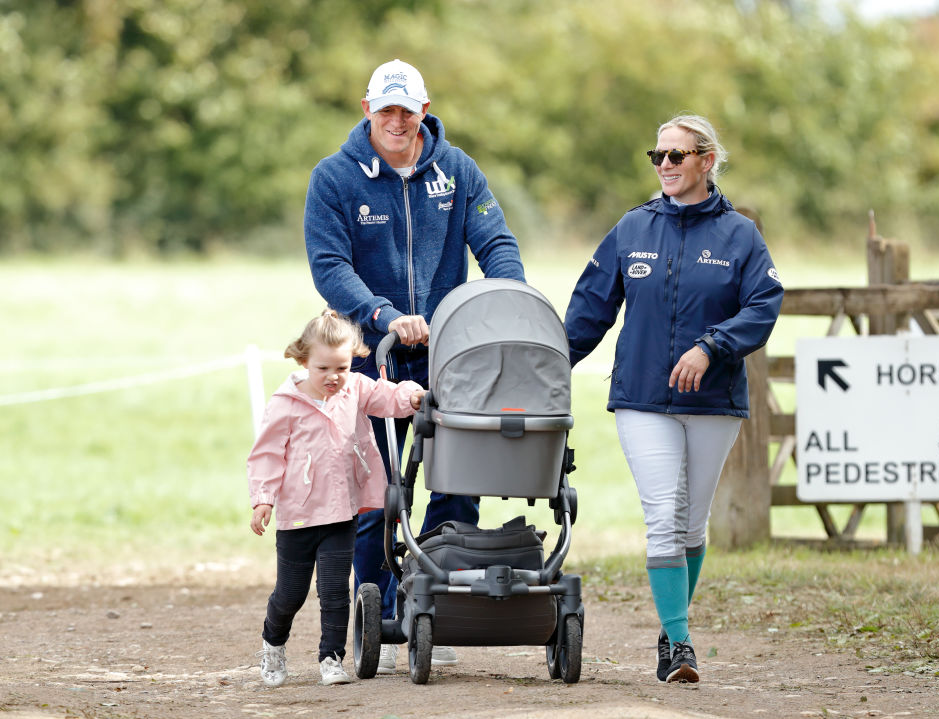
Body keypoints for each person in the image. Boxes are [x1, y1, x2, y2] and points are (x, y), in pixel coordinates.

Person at [303, 58, 525, 672]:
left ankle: (436, 603)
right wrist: (380, 314)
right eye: (385, 111)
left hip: (450, 356)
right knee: (376, 491)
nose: (396, 122)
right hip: (370, 356)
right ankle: (375, 610)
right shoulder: (334, 179)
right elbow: (329, 264)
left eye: (407, 110)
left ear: (424, 110)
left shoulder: (457, 172)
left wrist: (511, 299)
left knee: (458, 479)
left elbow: (496, 243)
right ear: (367, 110)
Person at [563, 114, 784, 684]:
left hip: (713, 401)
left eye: (676, 156)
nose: (664, 165)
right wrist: (547, 364)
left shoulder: (741, 236)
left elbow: (762, 307)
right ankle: (679, 646)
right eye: (657, 155)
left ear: (706, 162)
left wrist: (712, 347)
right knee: (663, 516)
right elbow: (589, 310)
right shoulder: (632, 229)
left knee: (691, 525)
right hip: (641, 397)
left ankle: (671, 624)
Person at [248, 309, 425, 687]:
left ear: (353, 361)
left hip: (341, 512)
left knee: (334, 591)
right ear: (304, 361)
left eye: (342, 368)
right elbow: (266, 454)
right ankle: (273, 644)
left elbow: (386, 396)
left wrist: (412, 395)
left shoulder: (355, 388)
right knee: (290, 595)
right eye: (323, 368)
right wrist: (263, 498)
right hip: (297, 517)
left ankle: (331, 658)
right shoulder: (286, 403)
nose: (333, 377)